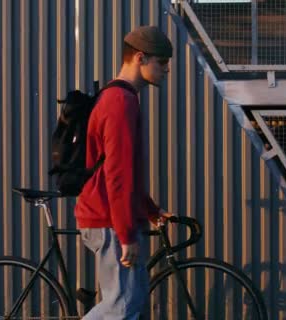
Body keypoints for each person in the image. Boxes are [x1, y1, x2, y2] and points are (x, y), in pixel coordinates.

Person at [74, 25, 173, 319]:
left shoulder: (122, 97)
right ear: (140, 58)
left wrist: (150, 210)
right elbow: (117, 175)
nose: (167, 70)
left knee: (133, 302)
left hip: (114, 217)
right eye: (162, 62)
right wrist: (126, 233)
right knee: (120, 309)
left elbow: (127, 171)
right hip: (108, 219)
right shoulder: (120, 102)